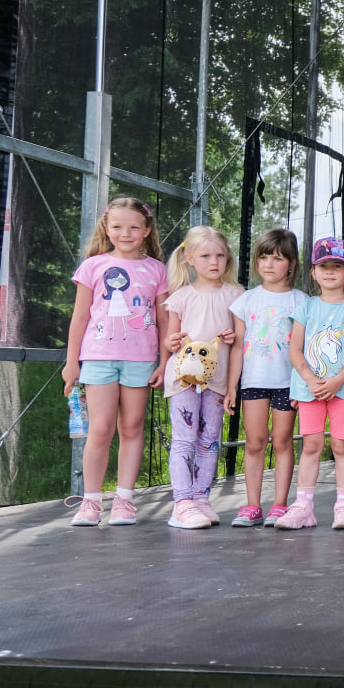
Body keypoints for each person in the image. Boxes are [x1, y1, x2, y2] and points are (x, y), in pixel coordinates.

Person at [62, 198, 168, 526]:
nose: (126, 233)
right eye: (118, 226)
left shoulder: (157, 270)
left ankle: (124, 500)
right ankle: (91, 502)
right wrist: (71, 362)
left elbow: (164, 320)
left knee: (132, 427)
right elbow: (80, 317)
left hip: (141, 360)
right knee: (101, 428)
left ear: (146, 231)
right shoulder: (92, 266)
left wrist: (164, 362)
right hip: (97, 359)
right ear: (107, 229)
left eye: (134, 227)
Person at [277, 238, 344, 531]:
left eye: (337, 266)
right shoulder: (306, 307)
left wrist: (337, 381)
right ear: (313, 272)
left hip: (343, 389)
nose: (330, 271)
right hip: (309, 389)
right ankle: (303, 507)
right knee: (312, 444)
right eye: (323, 266)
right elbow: (295, 349)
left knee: (342, 445)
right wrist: (310, 379)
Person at [159, 226, 244, 529]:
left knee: (209, 441)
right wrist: (171, 342)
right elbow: (170, 339)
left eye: (220, 255)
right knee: (184, 438)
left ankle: (200, 497)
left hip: (217, 381)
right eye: (206, 256)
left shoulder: (237, 296)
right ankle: (182, 503)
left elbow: (239, 346)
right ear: (190, 259)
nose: (214, 262)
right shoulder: (180, 297)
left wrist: (232, 385)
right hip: (183, 379)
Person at [229, 229, 306, 527]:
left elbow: (304, 348)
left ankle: (280, 505)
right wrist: (232, 386)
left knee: (282, 441)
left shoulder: (302, 301)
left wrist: (303, 384)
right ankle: (252, 505)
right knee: (255, 442)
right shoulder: (246, 300)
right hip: (253, 382)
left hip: (287, 383)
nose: (269, 265)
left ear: (292, 263)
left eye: (277, 258)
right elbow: (237, 347)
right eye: (263, 258)